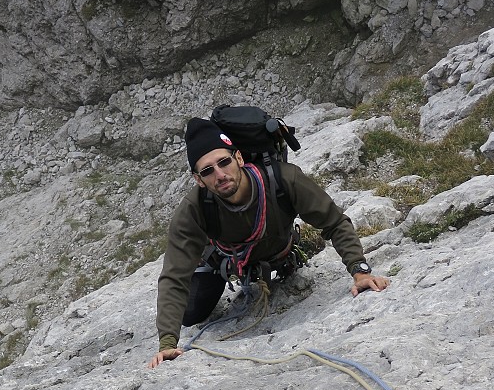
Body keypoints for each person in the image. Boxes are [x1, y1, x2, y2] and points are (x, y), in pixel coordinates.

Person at [148, 117, 390, 368]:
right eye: (208, 171)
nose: (220, 175)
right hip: (224, 263)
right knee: (191, 314)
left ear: (239, 158)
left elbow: (334, 222)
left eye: (224, 162)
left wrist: (359, 271)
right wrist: (167, 342)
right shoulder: (194, 208)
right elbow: (175, 275)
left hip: (279, 254)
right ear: (199, 180)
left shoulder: (283, 180)